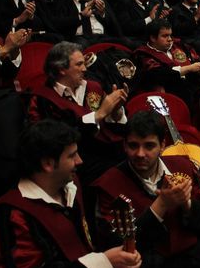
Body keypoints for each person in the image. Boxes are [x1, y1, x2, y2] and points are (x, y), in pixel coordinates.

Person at [0, 119, 141, 268]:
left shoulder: (71, 187)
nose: (80, 161)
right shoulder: (13, 215)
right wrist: (104, 263)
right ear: (48, 163)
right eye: (72, 155)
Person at [92, 111, 200, 268]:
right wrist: (161, 204)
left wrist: (187, 204)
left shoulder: (184, 165)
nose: (140, 154)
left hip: (195, 259)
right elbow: (114, 247)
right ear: (124, 145)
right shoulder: (108, 184)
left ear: (162, 145)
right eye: (133, 146)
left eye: (149, 146)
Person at [27, 41, 128, 182]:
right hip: (74, 162)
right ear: (61, 69)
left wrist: (115, 111)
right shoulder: (43, 99)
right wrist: (99, 114)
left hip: (108, 152)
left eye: (84, 64)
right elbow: (54, 140)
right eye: (79, 64)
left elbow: (112, 128)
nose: (85, 69)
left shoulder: (94, 87)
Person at [133, 19, 200, 104]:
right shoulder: (143, 54)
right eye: (165, 36)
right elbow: (159, 75)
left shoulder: (178, 44)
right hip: (170, 93)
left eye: (170, 35)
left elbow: (197, 60)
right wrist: (189, 68)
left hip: (193, 85)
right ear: (153, 38)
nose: (169, 39)